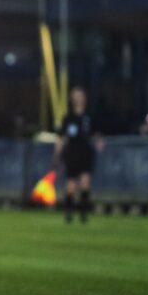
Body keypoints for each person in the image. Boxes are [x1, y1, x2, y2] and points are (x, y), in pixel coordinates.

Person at [52, 87, 101, 223]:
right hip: (72, 153)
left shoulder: (89, 117)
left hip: (85, 153)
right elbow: (62, 137)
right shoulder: (68, 118)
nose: (78, 98)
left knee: (85, 183)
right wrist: (56, 154)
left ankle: (83, 214)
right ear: (72, 99)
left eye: (81, 96)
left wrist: (99, 142)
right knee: (71, 186)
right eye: (76, 96)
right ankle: (68, 213)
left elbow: (96, 134)